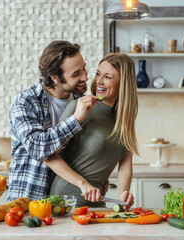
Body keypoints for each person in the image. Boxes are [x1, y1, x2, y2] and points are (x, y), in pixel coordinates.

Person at [8, 40, 99, 201]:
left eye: (84, 68)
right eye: (76, 73)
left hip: (66, 201)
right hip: (28, 201)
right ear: (55, 78)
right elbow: (38, 149)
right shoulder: (25, 101)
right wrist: (75, 119)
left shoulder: (82, 100)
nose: (85, 76)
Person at [48, 53, 138, 209]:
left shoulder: (124, 119)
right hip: (65, 203)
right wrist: (83, 184)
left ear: (123, 83)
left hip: (97, 204)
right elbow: (50, 156)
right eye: (98, 74)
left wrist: (124, 193)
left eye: (108, 77)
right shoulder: (80, 107)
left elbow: (125, 164)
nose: (99, 81)